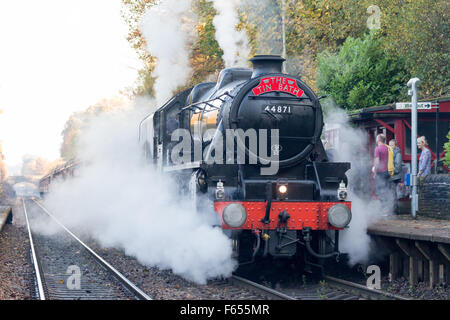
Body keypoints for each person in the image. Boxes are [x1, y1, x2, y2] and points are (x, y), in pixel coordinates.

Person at [374, 134, 394, 212]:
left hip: (380, 173)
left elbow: (377, 162)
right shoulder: (388, 148)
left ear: (378, 140)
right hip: (388, 172)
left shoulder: (377, 149)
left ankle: (383, 209)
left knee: (381, 191)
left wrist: (375, 171)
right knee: (387, 190)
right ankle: (389, 209)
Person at [389, 139, 403, 213]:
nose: (390, 146)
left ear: (395, 145)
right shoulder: (391, 152)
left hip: (395, 176)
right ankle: (393, 208)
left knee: (393, 192)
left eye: (392, 145)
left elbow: (398, 166)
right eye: (389, 145)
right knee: (392, 192)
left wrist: (391, 171)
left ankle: (395, 210)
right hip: (392, 175)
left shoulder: (397, 154)